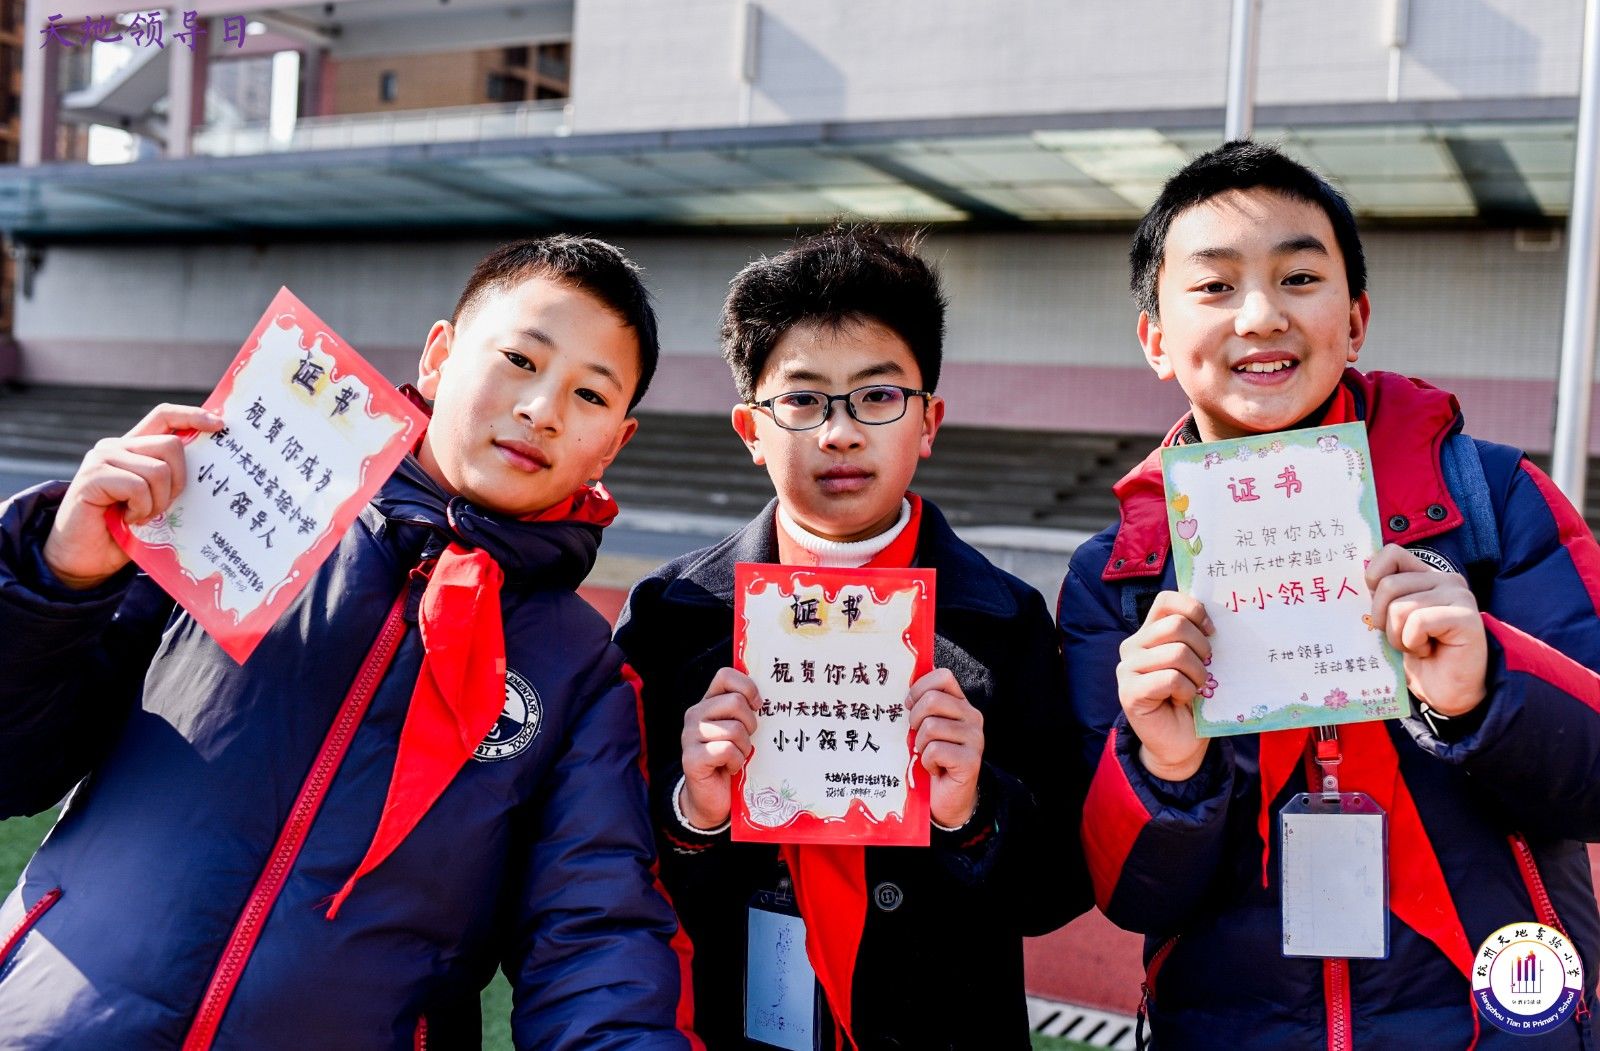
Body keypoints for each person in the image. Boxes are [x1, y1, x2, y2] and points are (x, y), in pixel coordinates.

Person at [0, 237, 696, 1050]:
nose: (542, 408)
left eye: (588, 394)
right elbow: (17, 760)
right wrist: (60, 581)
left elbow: (592, 934)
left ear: (614, 443)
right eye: (518, 358)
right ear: (438, 357)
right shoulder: (233, 503)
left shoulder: (582, 669)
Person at [1059, 140, 1600, 1048]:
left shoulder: (1491, 500)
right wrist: (1163, 767)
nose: (1262, 315)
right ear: (1156, 338)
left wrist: (1485, 686)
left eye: (1299, 277)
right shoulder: (1116, 572)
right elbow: (1127, 894)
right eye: (1216, 286)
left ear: (1354, 320)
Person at [617, 223, 1087, 1050]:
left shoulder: (1005, 621)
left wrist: (970, 810)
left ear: (929, 420)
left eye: (877, 396)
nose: (839, 432)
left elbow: (1060, 888)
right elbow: (605, 864)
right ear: (752, 430)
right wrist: (693, 808)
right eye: (801, 400)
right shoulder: (672, 614)